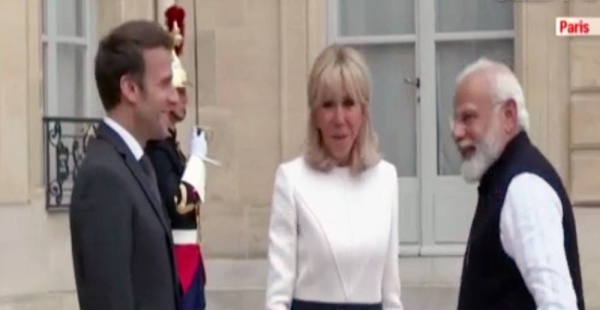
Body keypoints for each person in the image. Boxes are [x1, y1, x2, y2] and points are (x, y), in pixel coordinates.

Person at [265, 44, 404, 310]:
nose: (339, 118)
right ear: (315, 115)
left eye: (349, 104)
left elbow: (391, 293)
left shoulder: (386, 178)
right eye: (328, 105)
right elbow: (277, 295)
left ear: (363, 112)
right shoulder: (291, 179)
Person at [452, 58, 585, 309]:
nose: (456, 132)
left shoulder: (525, 188)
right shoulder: (503, 180)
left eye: (468, 117)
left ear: (509, 116)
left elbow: (558, 303)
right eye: (455, 120)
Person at [69, 20, 181, 310]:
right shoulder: (104, 178)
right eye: (165, 83)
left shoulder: (134, 164)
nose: (174, 98)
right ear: (131, 89)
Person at [145, 5, 210, 310]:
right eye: (178, 91)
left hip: (190, 257)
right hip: (177, 260)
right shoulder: (157, 149)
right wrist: (197, 161)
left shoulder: (170, 146)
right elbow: (179, 203)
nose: (183, 99)